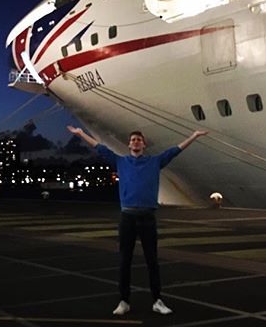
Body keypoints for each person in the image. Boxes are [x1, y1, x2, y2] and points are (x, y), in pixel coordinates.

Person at [67, 125, 208, 316]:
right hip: (127, 217)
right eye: (133, 139)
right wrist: (81, 133)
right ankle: (124, 301)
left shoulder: (155, 161)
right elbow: (100, 148)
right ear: (129, 144)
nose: (136, 142)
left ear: (144, 144)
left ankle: (157, 301)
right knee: (125, 261)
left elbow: (175, 150)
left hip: (148, 217)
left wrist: (193, 136)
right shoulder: (120, 161)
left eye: (139, 140)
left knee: (152, 262)